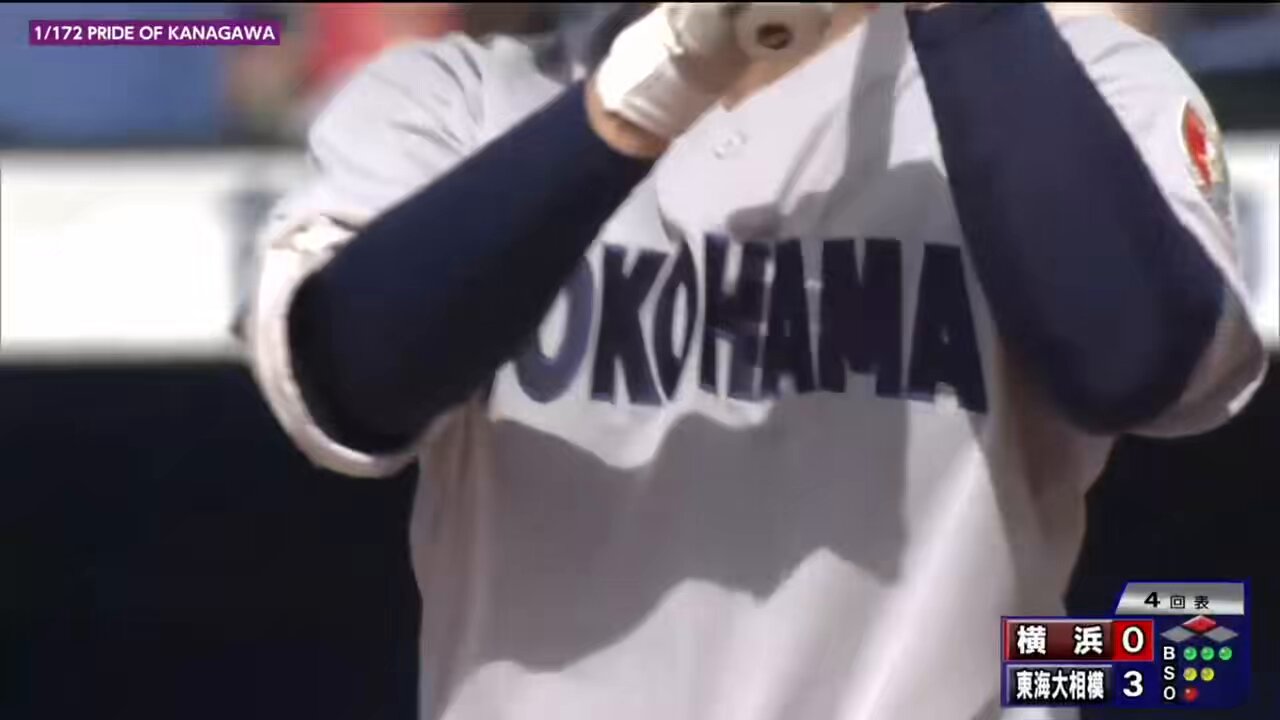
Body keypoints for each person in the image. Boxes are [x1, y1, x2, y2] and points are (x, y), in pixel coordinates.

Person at [245, 3, 1266, 718]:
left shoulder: (1074, 82)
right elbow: (356, 379)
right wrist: (646, 91)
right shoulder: (456, 99)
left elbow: (1134, 357)